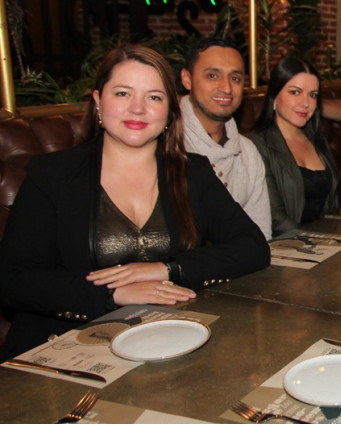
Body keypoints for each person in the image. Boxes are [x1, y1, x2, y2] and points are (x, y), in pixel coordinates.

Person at [0, 45, 270, 359]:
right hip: (67, 351)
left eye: (154, 97)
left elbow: (252, 246)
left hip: (169, 340)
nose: (138, 109)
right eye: (123, 94)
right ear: (98, 101)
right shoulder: (53, 176)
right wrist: (112, 293)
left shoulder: (191, 171)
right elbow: (14, 280)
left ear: (170, 111)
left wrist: (168, 270)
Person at [180, 37, 272, 239]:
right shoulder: (165, 144)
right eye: (212, 75)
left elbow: (260, 235)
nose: (227, 88)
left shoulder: (247, 152)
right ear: (187, 79)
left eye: (235, 78)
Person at [248, 57, 339, 238]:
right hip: (282, 250)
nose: (306, 103)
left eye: (313, 95)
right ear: (274, 96)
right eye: (295, 92)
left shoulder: (316, 140)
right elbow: (275, 218)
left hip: (323, 246)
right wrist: (322, 241)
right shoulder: (256, 145)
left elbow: (333, 207)